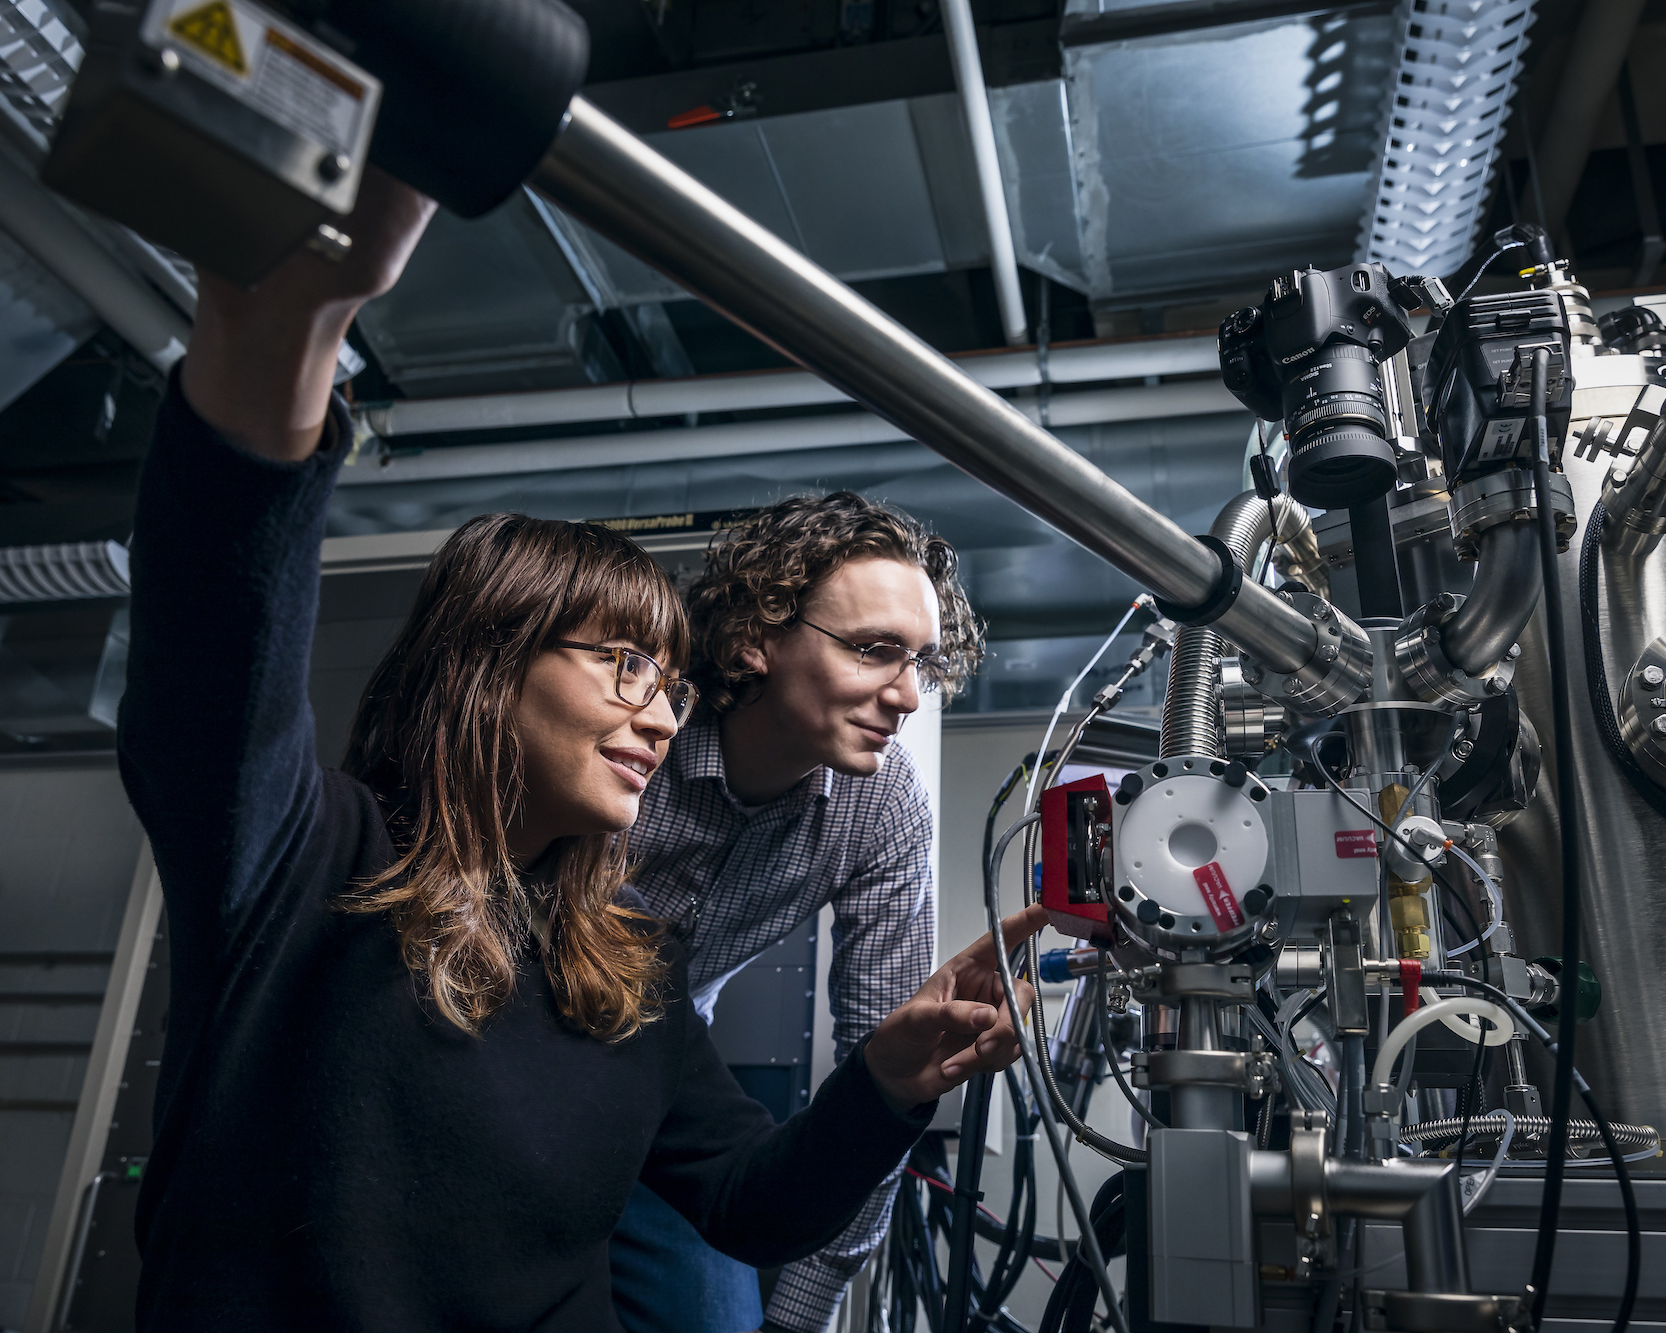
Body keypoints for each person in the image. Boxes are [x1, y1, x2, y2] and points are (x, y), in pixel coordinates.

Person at [116, 169, 1046, 1332]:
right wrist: (283, 324)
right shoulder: (305, 864)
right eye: (623, 667)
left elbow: (749, 1203)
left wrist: (889, 1080)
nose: (660, 714)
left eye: (667, 679)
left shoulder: (633, 979)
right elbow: (212, 661)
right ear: (487, 662)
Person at [609, 495, 982, 1333]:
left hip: (667, 1084)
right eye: (874, 650)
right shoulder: (638, 730)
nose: (910, 695)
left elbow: (880, 1079)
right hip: (525, 1043)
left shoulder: (883, 808)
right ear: (755, 637)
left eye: (918, 659)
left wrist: (800, 1314)